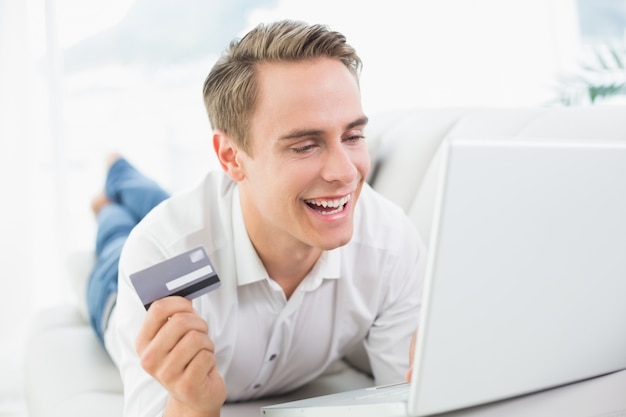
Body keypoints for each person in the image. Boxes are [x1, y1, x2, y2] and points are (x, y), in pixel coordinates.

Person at [101, 19, 426, 417]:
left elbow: (408, 398)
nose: (345, 173)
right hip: (114, 290)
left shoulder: (390, 245)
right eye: (306, 146)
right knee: (114, 236)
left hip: (220, 209)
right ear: (231, 157)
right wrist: (192, 405)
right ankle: (113, 184)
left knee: (153, 202)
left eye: (353, 137)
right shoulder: (165, 252)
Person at [87, 153, 170, 345]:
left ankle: (115, 178)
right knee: (166, 209)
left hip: (118, 284)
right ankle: (117, 168)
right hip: (178, 251)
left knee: (115, 224)